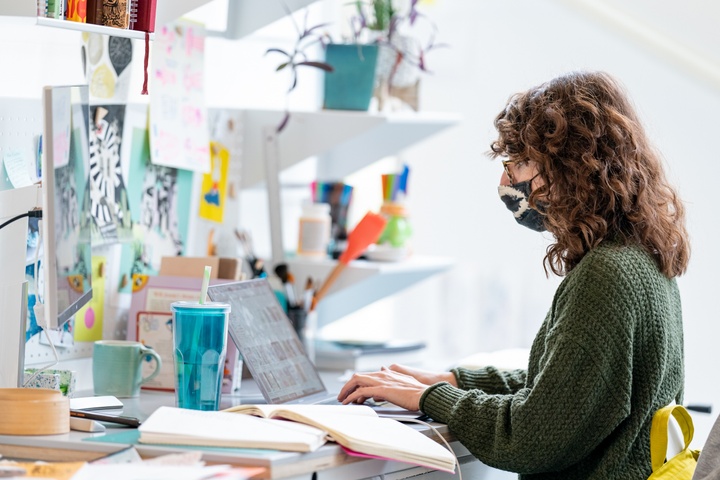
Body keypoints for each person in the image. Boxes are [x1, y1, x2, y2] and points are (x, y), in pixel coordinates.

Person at [337, 71, 691, 479]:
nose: (507, 181)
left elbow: (533, 435)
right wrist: (452, 379)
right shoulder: (640, 258)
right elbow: (565, 388)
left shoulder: (607, 276)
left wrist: (431, 397)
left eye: (522, 163)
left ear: (572, 168)